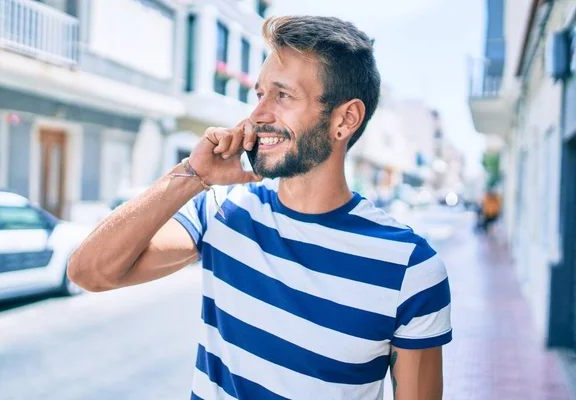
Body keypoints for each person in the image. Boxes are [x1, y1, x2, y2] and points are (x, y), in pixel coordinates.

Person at [68, 16, 452, 400]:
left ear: (345, 119)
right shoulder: (222, 209)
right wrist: (193, 173)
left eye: (282, 96)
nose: (257, 115)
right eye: (259, 95)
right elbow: (90, 272)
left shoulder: (410, 268)